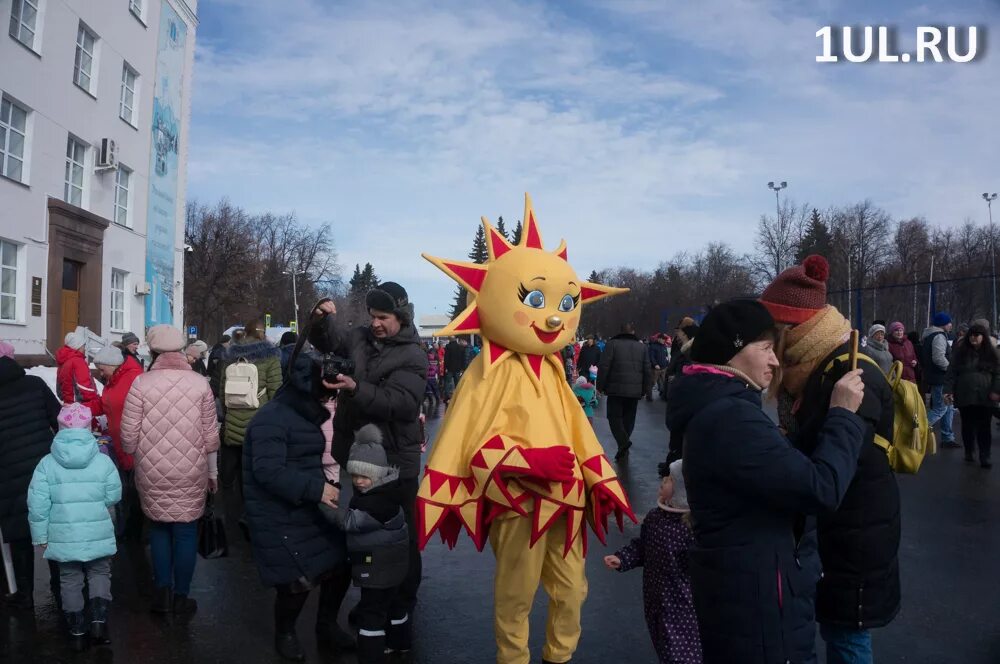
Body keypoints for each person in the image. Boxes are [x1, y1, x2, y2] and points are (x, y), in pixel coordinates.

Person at [666, 298, 867, 663]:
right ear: (736, 350)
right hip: (760, 609)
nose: (775, 361)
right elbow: (822, 489)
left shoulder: (723, 409)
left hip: (747, 595)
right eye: (766, 349)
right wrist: (842, 415)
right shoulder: (732, 419)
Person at [760, 256, 901, 663]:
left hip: (856, 531)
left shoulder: (854, 376)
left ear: (792, 328)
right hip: (833, 528)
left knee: (846, 635)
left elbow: (836, 465)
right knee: (834, 626)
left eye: (772, 332)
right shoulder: (816, 365)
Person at [308, 282, 427, 639]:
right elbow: (329, 342)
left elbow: (401, 404)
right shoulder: (359, 337)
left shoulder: (413, 354)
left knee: (400, 540)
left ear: (401, 317)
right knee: (367, 537)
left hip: (394, 462)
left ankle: (400, 609)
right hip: (360, 457)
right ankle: (374, 601)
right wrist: (320, 321)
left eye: (384, 317)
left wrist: (356, 389)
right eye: (373, 316)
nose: (375, 323)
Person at [243, 346, 354, 661]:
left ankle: (326, 625)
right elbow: (267, 470)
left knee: (339, 563)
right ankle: (285, 632)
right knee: (297, 581)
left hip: (303, 502)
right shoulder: (272, 418)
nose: (327, 397)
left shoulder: (301, 412)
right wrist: (317, 489)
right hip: (276, 512)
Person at [120, 325, 220, 615]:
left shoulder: (141, 383)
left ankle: (162, 591)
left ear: (152, 351)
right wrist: (212, 473)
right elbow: (210, 436)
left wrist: (139, 451)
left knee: (160, 530)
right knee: (186, 532)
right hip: (192, 471)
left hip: (151, 472)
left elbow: (128, 438)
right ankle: (181, 596)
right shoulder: (200, 384)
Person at [27, 403, 121, 651]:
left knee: (69, 579)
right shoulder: (102, 460)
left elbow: (37, 503)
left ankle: (77, 629)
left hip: (63, 534)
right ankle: (99, 621)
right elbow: (114, 494)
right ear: (88, 427)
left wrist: (40, 536)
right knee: (100, 573)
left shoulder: (47, 464)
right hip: (97, 532)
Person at [320, 426, 410, 663]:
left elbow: (350, 522)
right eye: (355, 475)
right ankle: (399, 643)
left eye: (365, 476)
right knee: (395, 605)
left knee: (372, 614)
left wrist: (325, 506)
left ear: (378, 473)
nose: (359, 482)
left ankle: (370, 654)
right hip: (395, 563)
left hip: (376, 567)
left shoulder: (373, 504)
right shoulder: (391, 490)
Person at [604, 460, 701, 664]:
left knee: (681, 652)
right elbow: (643, 545)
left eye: (669, 481)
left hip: (682, 605)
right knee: (663, 644)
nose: (662, 483)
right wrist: (623, 558)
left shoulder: (692, 529)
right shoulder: (656, 517)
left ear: (682, 491)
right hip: (655, 599)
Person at [0, 341, 62, 610]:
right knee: (52, 528)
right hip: (43, 468)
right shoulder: (35, 384)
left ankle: (24, 593)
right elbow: (59, 419)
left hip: (8, 473)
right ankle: (61, 588)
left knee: (19, 534)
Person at [220, 318, 282, 528]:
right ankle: (254, 517)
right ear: (263, 333)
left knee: (234, 474)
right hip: (259, 425)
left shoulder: (230, 355)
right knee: (257, 474)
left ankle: (233, 517)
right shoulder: (270, 357)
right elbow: (277, 395)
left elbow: (222, 392)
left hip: (232, 426)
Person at [91, 345, 144, 539]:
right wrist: (80, 408)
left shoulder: (134, 378)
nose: (100, 373)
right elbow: (105, 404)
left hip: (136, 446)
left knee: (135, 492)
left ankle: (136, 534)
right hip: (121, 444)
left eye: (102, 368)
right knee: (127, 490)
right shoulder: (114, 380)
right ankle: (131, 530)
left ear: (112, 365)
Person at [945, 323, 1000, 468]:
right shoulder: (961, 353)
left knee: (984, 426)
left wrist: (996, 391)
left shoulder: (992, 354)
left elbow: (998, 374)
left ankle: (985, 455)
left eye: (977, 335)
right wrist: (948, 391)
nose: (973, 338)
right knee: (968, 424)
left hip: (985, 395)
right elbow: (951, 373)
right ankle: (969, 450)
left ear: (983, 337)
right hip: (965, 394)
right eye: (971, 335)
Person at [598, 322, 653, 460]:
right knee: (629, 418)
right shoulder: (642, 347)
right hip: (634, 391)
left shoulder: (612, 344)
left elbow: (604, 366)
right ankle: (624, 444)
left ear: (620, 331)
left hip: (615, 389)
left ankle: (623, 442)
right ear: (633, 332)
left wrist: (600, 386)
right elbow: (647, 369)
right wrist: (647, 389)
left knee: (614, 417)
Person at [922, 312, 958, 447]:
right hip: (941, 378)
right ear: (943, 324)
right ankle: (916, 430)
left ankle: (947, 437)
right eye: (949, 323)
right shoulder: (938, 336)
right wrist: (951, 370)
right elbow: (938, 358)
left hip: (939, 377)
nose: (951, 325)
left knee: (948, 407)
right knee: (940, 408)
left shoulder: (930, 336)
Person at [56, 328, 100, 411]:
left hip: (69, 403)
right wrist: (95, 400)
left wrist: (67, 400)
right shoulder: (77, 361)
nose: (84, 349)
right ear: (77, 347)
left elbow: (59, 385)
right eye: (83, 346)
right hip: (81, 405)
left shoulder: (64, 361)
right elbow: (84, 386)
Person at [442, 336, 469, 402]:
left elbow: (446, 359)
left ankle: (447, 396)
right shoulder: (460, 347)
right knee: (457, 382)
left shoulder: (448, 347)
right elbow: (462, 358)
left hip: (450, 368)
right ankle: (458, 395)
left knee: (447, 383)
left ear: (450, 339)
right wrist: (462, 368)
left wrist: (445, 368)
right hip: (458, 368)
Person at [207, 334, 232, 399]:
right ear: (225, 342)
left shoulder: (215, 349)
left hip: (213, 378)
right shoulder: (221, 352)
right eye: (229, 342)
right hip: (218, 379)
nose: (230, 345)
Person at [646, 334, 670, 402]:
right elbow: (651, 356)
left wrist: (667, 363)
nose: (664, 340)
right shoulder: (653, 346)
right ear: (659, 339)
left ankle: (662, 394)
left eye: (664, 339)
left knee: (663, 382)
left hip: (664, 367)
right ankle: (649, 396)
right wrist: (655, 364)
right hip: (656, 368)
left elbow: (666, 356)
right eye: (663, 339)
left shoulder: (664, 346)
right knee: (652, 382)